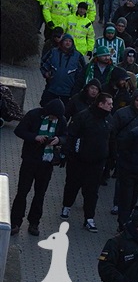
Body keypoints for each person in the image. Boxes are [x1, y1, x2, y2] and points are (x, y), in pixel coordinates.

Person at [10, 99, 68, 237]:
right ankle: (15, 222)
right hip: (30, 160)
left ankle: (34, 222)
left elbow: (66, 136)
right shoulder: (33, 115)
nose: (54, 119)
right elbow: (19, 131)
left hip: (47, 162)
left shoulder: (61, 120)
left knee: (40, 194)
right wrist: (35, 137)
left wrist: (58, 140)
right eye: (52, 116)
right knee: (22, 192)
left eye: (56, 117)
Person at [61, 92, 114, 232]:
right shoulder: (83, 116)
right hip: (78, 160)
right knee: (72, 185)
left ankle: (89, 218)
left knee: (92, 191)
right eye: (109, 104)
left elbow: (111, 139)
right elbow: (71, 135)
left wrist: (109, 157)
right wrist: (69, 153)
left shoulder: (109, 119)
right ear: (100, 104)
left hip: (97, 163)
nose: (111, 106)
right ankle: (67, 206)